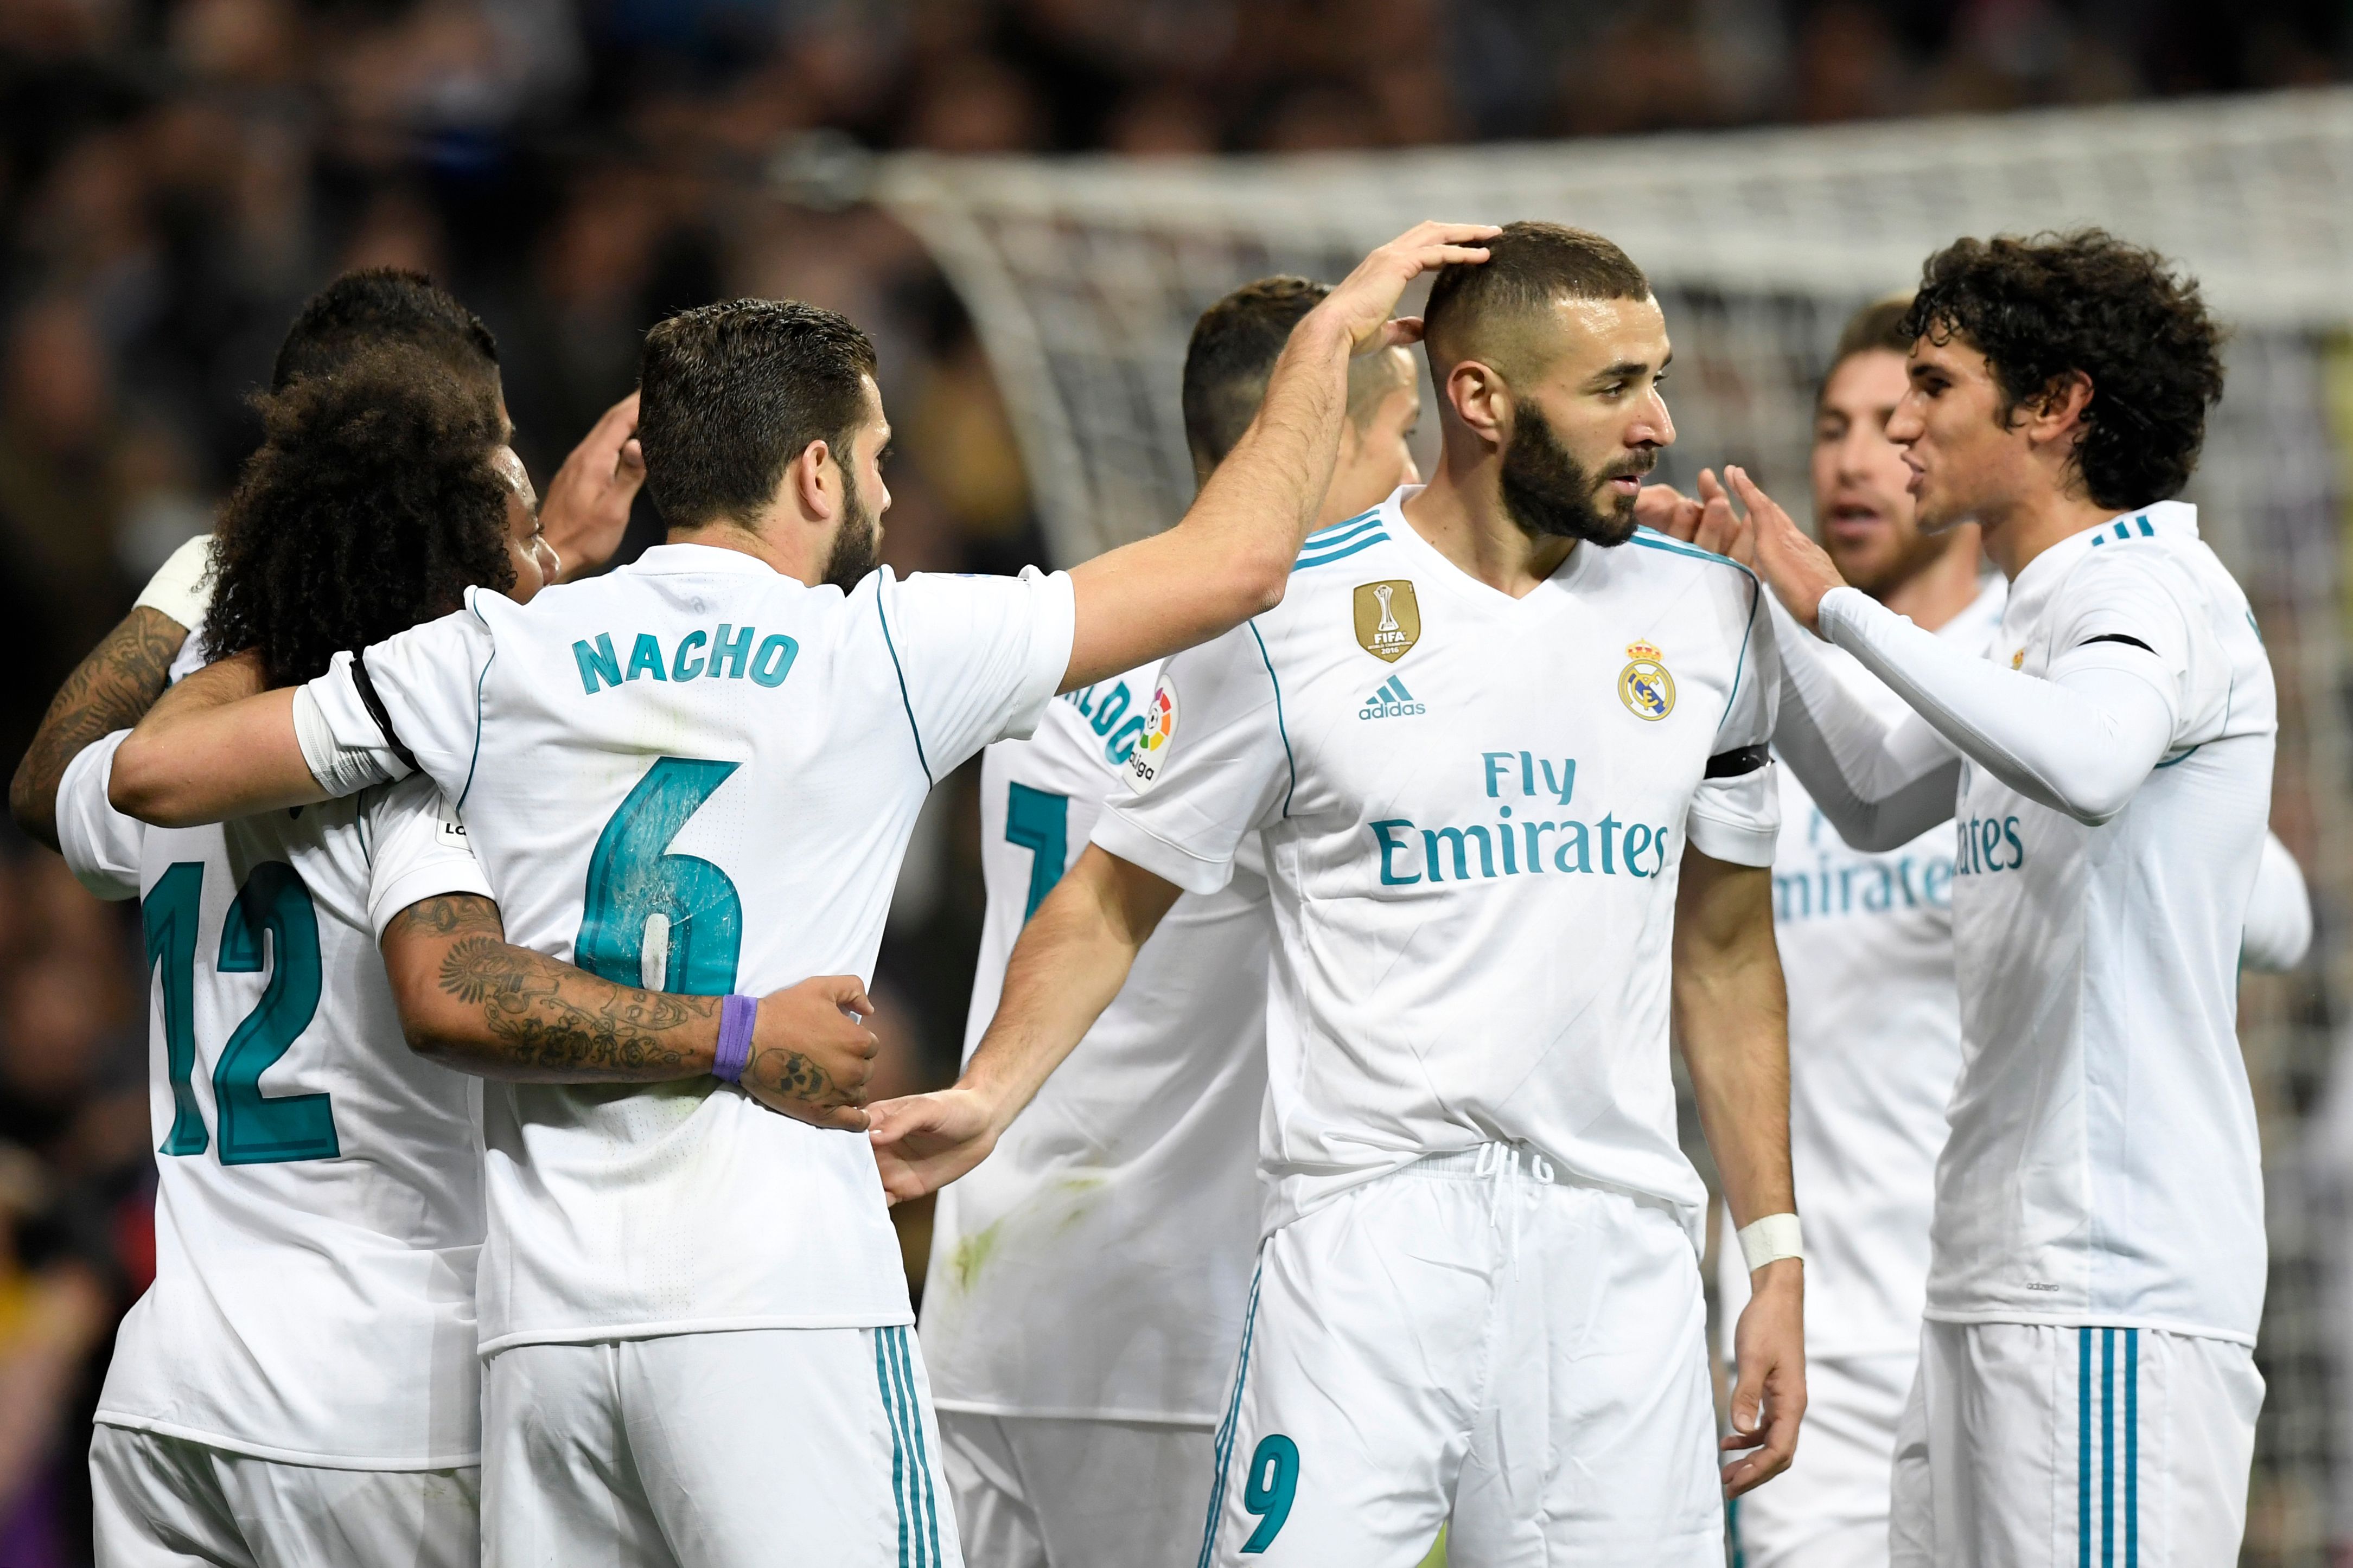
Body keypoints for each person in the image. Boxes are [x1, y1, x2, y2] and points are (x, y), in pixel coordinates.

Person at [105, 221, 1498, 1567]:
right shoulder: (880, 650)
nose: (889, 495)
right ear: (816, 474)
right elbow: (1240, 564)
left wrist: (397, 575)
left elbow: (153, 775)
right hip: (776, 1305)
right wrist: (1328, 339)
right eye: (878, 459)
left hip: (540, 1334)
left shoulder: (489, 654)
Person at [869, 220, 1806, 1566]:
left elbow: (1722, 955)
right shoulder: (1289, 616)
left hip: (1620, 1251)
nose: (1658, 420)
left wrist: (1771, 1251)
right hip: (1365, 1240)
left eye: (1654, 376)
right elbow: (1111, 896)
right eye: (1614, 387)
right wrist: (988, 1094)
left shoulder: (1706, 610)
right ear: (1476, 400)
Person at [48, 346, 865, 1568]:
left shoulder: (150, 784)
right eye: (514, 539)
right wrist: (737, 1034)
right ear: (440, 574)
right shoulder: (415, 778)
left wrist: (214, 576)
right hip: (381, 1400)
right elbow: (448, 985)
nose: (529, 570)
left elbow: (50, 775)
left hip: (169, 1394)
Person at [1708, 231, 2275, 1566]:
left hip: (2108, 1289)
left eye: (1932, 385)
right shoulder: (2035, 612)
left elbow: (2084, 762)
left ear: (2052, 407)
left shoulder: (2150, 589)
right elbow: (1864, 796)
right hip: (1982, 1281)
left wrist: (1838, 610)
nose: (1899, 422)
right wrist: (1747, 604)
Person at [921, 273, 1422, 1566]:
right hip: (1163, 1324)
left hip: (987, 1296)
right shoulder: (1292, 672)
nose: (1415, 475)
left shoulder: (1059, 633)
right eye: (1393, 436)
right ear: (1305, 437)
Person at [8, 266, 648, 857]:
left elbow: (51, 791)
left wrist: (206, 574)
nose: (502, 475)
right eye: (485, 444)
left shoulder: (192, 716)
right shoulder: (435, 714)